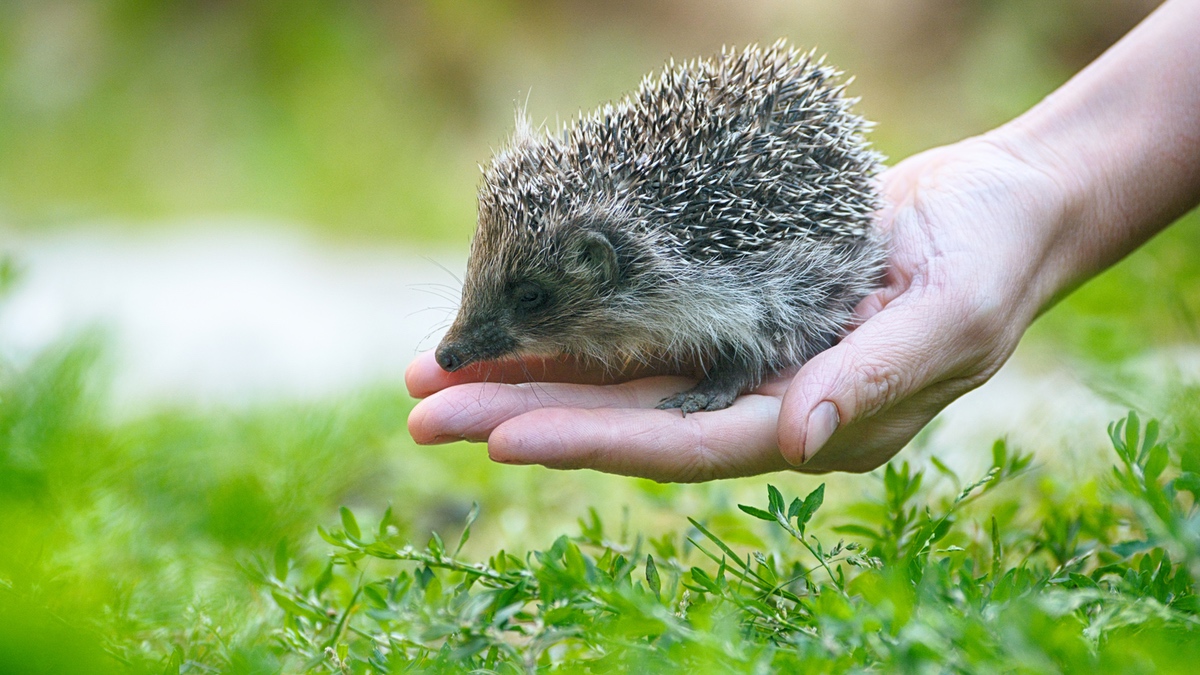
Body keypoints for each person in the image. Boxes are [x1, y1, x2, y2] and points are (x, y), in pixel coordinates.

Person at [405, 0, 1200, 482]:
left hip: (783, 273)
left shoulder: (685, 276)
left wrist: (730, 374)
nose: (461, 345)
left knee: (758, 330)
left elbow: (755, 318)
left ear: (603, 267)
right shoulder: (594, 249)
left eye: (530, 301)